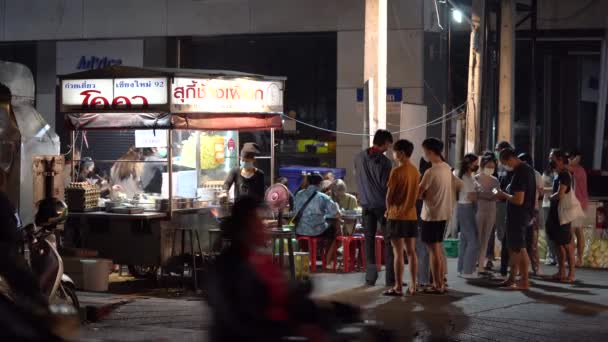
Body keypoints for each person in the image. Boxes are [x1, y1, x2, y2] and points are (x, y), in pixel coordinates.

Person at [207, 196, 326, 341]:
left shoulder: (260, 258)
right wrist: (292, 327)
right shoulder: (228, 267)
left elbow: (284, 291)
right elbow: (241, 318)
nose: (264, 226)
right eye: (258, 222)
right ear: (246, 226)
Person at [353, 129, 394, 287]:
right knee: (389, 241)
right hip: (382, 206)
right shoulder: (385, 162)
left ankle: (370, 278)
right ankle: (390, 279)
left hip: (366, 204)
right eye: (388, 145)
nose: (389, 148)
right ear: (384, 143)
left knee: (368, 241)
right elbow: (386, 186)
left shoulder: (358, 158)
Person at [418, 138, 456, 294]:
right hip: (444, 214)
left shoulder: (430, 171)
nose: (424, 154)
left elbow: (418, 193)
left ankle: (437, 285)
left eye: (425, 151)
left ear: (430, 151)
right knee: (438, 249)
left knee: (433, 251)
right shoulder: (447, 168)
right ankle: (441, 283)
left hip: (431, 215)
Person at [495, 148, 536, 290]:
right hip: (520, 215)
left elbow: (518, 199)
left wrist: (503, 194)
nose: (505, 166)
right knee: (514, 248)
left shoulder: (521, 172)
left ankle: (524, 281)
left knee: (520, 248)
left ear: (510, 158)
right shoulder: (526, 169)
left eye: (504, 162)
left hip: (519, 215)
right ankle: (512, 278)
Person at [383, 139, 420, 297]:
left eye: (395, 151)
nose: (393, 154)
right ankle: (413, 285)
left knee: (398, 253)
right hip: (411, 216)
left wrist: (387, 210)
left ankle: (398, 287)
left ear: (402, 153)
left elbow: (389, 196)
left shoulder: (396, 172)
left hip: (397, 215)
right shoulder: (415, 171)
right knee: (411, 251)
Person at [294, 173, 340, 269]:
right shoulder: (323, 197)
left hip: (299, 231)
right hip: (317, 231)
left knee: (309, 231)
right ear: (320, 184)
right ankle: (327, 262)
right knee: (336, 232)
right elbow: (336, 214)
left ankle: (306, 259)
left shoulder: (299, 194)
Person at [546, 149, 576, 283]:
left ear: (559, 159)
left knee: (567, 244)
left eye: (551, 157)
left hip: (562, 213)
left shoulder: (564, 174)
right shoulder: (559, 174)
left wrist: (549, 197)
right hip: (556, 213)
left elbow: (560, 194)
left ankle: (571, 274)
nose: (549, 160)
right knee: (559, 244)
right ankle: (561, 272)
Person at [518, 153, 543, 275]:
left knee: (532, 240)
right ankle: (527, 267)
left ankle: (535, 267)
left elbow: (541, 191)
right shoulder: (520, 173)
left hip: (532, 210)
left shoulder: (535, 174)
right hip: (527, 210)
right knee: (525, 241)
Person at [474, 152, 499, 274]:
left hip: (491, 211)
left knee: (486, 238)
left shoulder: (495, 180)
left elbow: (496, 194)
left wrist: (485, 195)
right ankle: (474, 262)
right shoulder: (476, 178)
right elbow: (476, 194)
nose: (491, 168)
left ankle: (481, 264)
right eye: (488, 166)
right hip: (479, 210)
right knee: (477, 237)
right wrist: (488, 195)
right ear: (483, 165)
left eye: (492, 167)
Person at [456, 153, 480, 279]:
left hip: (463, 207)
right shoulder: (466, 177)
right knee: (473, 241)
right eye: (476, 163)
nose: (478, 165)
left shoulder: (469, 177)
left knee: (465, 240)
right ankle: (468, 270)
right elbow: (472, 195)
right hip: (467, 208)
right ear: (470, 164)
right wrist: (483, 194)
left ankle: (462, 268)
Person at [495, 141, 515, 276]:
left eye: (498, 150)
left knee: (507, 236)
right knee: (502, 235)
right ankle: (505, 266)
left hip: (507, 203)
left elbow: (507, 188)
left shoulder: (512, 168)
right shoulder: (501, 166)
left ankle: (508, 265)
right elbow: (498, 185)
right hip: (500, 201)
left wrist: (499, 193)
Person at [568, 150, 588, 267]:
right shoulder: (576, 169)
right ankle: (577, 259)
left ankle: (578, 259)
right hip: (577, 204)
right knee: (576, 231)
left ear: (578, 158)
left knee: (576, 231)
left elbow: (567, 167)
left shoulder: (578, 169)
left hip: (578, 204)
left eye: (572, 157)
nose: (570, 159)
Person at [542, 166, 558, 266]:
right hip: (547, 204)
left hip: (557, 205)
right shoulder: (546, 173)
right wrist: (553, 188)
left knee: (557, 231)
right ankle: (551, 255)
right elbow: (542, 189)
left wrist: (550, 188)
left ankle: (557, 256)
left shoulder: (561, 173)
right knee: (548, 232)